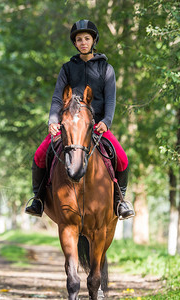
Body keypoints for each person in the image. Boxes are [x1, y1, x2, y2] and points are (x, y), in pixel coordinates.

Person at [25, 19, 135, 220]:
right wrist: (52, 120)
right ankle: (38, 199)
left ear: (93, 40)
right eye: (79, 39)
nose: (83, 42)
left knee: (123, 158)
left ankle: (120, 201)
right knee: (40, 155)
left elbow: (110, 100)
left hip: (97, 126)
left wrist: (106, 122)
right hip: (68, 125)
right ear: (74, 43)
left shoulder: (106, 69)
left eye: (87, 38)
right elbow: (58, 97)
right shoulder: (67, 68)